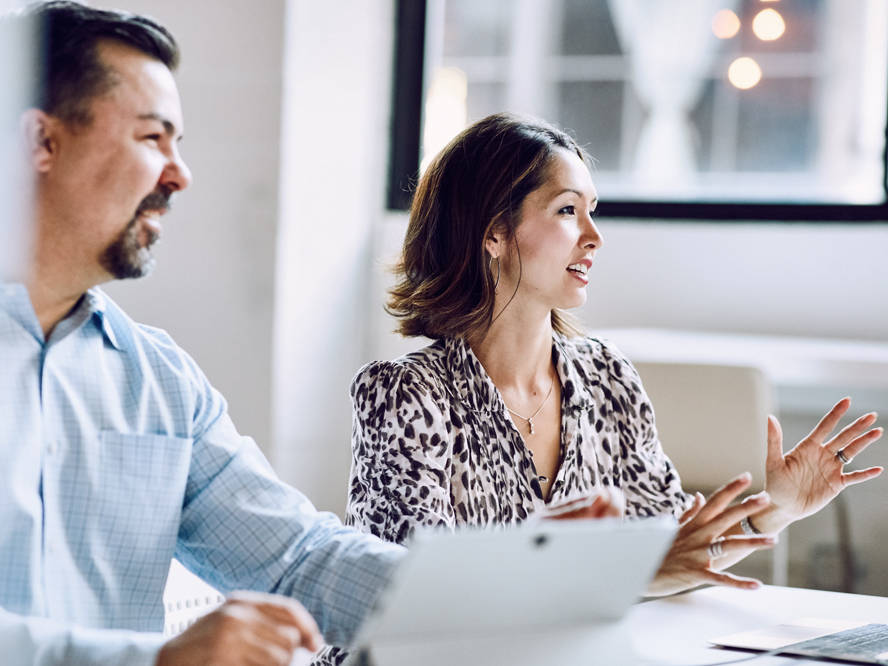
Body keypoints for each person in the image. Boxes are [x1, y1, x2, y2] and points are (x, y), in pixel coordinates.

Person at [1, 3, 413, 665]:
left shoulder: (159, 380)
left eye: (179, 144)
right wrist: (157, 660)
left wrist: (512, 581)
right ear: (40, 143)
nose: (179, 174)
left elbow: (297, 560)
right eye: (152, 138)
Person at [344, 112, 884, 595]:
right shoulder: (405, 395)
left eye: (592, 211)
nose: (595, 236)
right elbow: (409, 600)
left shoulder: (604, 375)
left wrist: (775, 511)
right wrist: (632, 576)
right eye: (567, 210)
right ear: (494, 233)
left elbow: (675, 550)